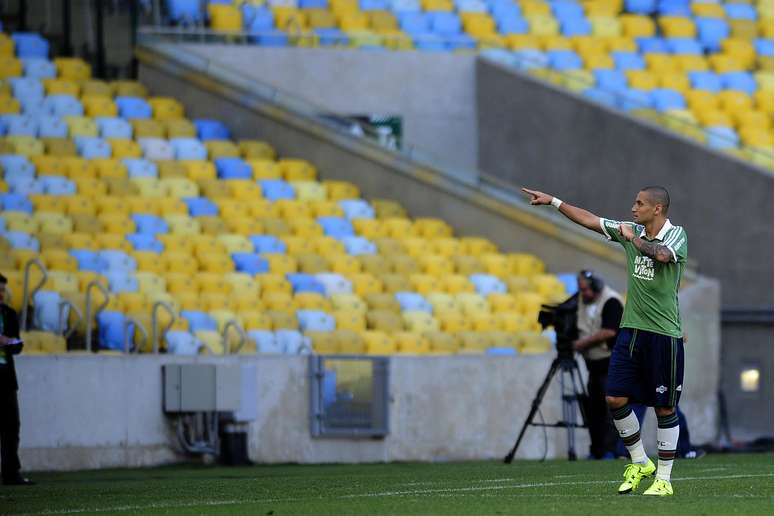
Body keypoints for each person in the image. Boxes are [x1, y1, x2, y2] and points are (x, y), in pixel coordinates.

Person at [523, 186, 687, 497]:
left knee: (664, 409)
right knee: (614, 398)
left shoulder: (676, 234)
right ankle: (640, 462)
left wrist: (632, 240)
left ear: (657, 209)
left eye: (640, 203)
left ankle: (663, 480)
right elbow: (589, 220)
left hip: (664, 335)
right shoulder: (632, 229)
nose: (633, 206)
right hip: (631, 330)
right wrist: (554, 202)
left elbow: (663, 255)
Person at [574, 270, 623, 460]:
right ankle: (597, 450)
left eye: (585, 290)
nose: (582, 294)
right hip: (592, 365)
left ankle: (610, 450)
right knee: (593, 410)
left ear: (595, 287)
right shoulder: (582, 301)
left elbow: (610, 331)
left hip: (609, 362)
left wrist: (582, 343)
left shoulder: (611, 300)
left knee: (611, 409)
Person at [0, 273, 33, 486]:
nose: (1, 294)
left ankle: (11, 473)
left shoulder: (9, 314)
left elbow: (18, 345)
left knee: (12, 426)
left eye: (3, 290)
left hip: (6, 377)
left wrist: (6, 341)